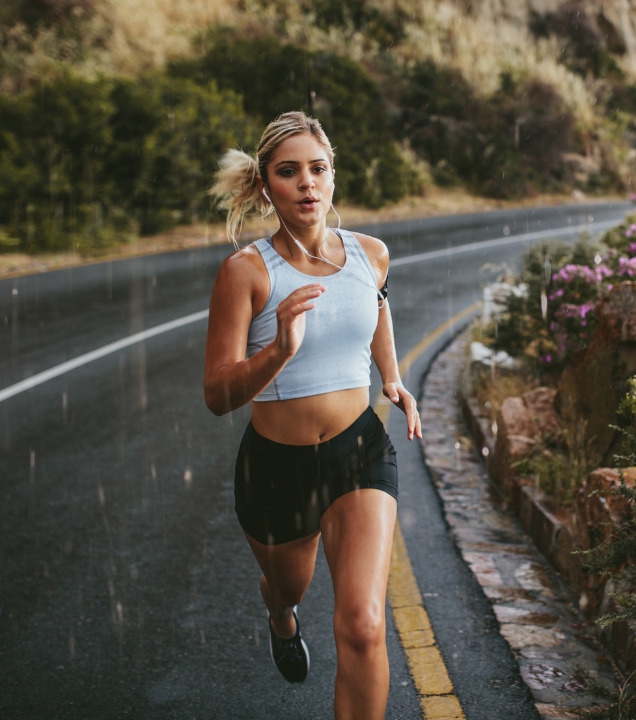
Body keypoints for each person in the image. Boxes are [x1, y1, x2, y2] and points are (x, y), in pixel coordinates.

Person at [202, 111, 420, 720]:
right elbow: (217, 394)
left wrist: (394, 377)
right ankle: (280, 614)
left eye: (317, 169)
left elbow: (375, 308)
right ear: (266, 185)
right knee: (288, 585)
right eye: (288, 171)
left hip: (359, 452)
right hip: (276, 469)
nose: (306, 183)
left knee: (363, 625)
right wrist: (278, 351)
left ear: (332, 177)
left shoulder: (370, 254)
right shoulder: (246, 272)